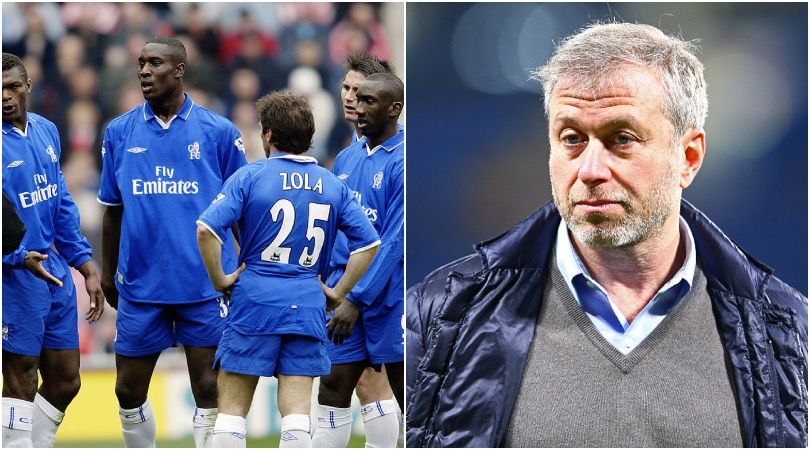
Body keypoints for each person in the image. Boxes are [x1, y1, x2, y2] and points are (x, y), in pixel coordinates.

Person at [406, 22, 808, 448]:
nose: (591, 170)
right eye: (571, 138)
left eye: (622, 139)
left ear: (688, 157)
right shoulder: (436, 319)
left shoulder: (786, 331)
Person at [196, 91, 381, 448]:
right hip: (307, 300)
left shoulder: (251, 176)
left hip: (256, 297)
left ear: (267, 135)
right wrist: (338, 292)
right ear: (308, 137)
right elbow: (370, 244)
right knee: (297, 412)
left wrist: (220, 278)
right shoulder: (333, 184)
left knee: (232, 409)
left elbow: (206, 229)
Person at [97, 36, 247, 448]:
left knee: (208, 387)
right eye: (141, 63)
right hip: (142, 284)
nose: (144, 71)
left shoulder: (219, 132)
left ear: (179, 70)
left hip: (204, 284)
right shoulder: (119, 131)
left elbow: (242, 211)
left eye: (155, 63)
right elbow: (112, 210)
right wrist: (108, 274)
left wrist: (246, 267)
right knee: (127, 390)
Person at [2, 52, 104, 448]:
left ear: (28, 86)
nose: (5, 97)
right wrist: (15, 256)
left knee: (66, 380)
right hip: (14, 272)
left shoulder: (46, 130)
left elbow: (59, 200)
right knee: (21, 378)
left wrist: (83, 262)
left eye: (12, 87)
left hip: (55, 268)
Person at [312, 51, 401, 449]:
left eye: (365, 97)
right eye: (349, 92)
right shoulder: (346, 157)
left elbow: (395, 239)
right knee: (333, 383)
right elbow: (335, 228)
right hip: (344, 292)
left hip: (386, 299)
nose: (353, 101)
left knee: (403, 389)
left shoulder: (403, 159)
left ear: (392, 108)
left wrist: (356, 298)